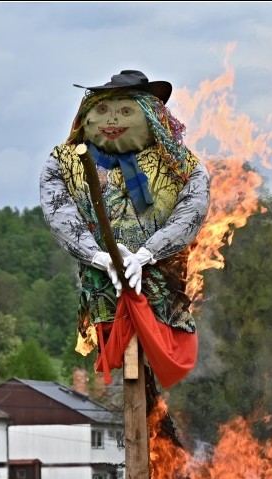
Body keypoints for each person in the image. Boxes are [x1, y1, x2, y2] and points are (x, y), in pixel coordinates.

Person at [40, 69, 210, 386]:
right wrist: (100, 257)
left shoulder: (177, 163)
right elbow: (60, 211)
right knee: (125, 358)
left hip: (161, 291)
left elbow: (192, 208)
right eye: (104, 109)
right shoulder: (67, 161)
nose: (114, 119)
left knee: (148, 369)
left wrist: (147, 254)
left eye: (126, 110)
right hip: (104, 288)